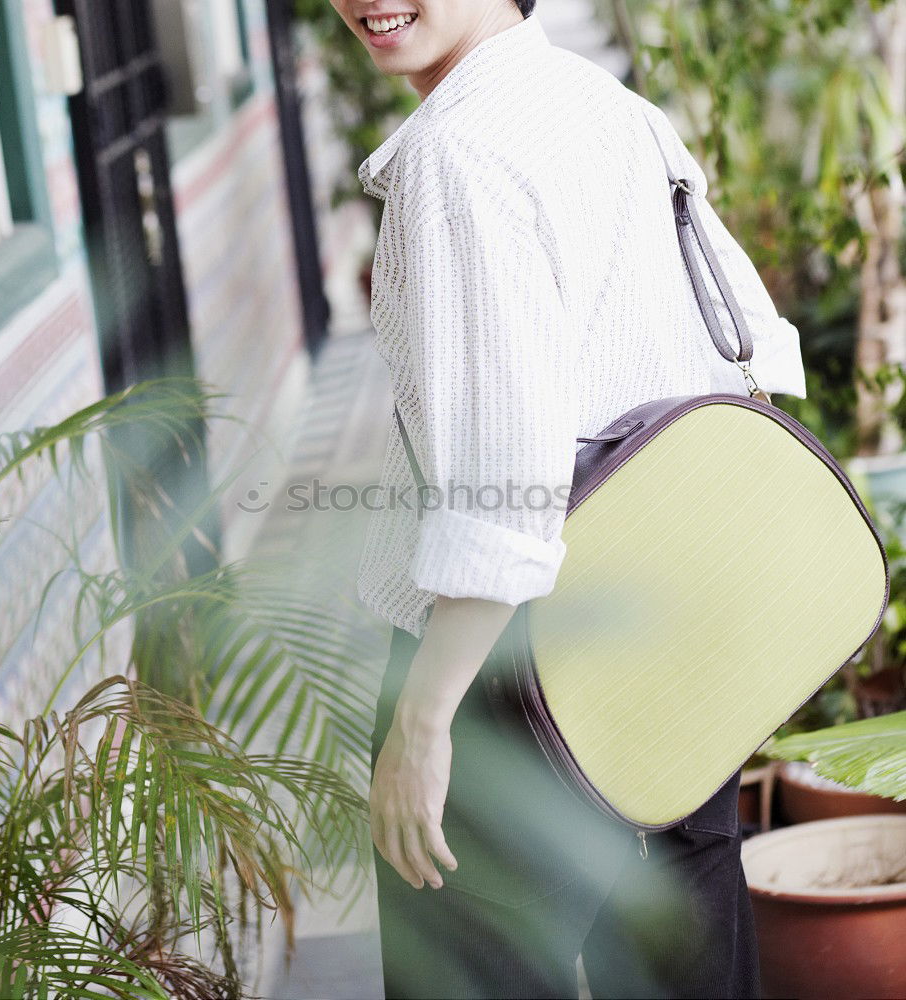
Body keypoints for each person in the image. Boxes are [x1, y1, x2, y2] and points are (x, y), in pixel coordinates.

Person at [329, 1, 808, 997]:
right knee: (695, 949)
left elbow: (502, 487)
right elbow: (751, 353)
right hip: (670, 629)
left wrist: (422, 726)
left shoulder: (455, 157)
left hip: (510, 665)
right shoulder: (613, 110)